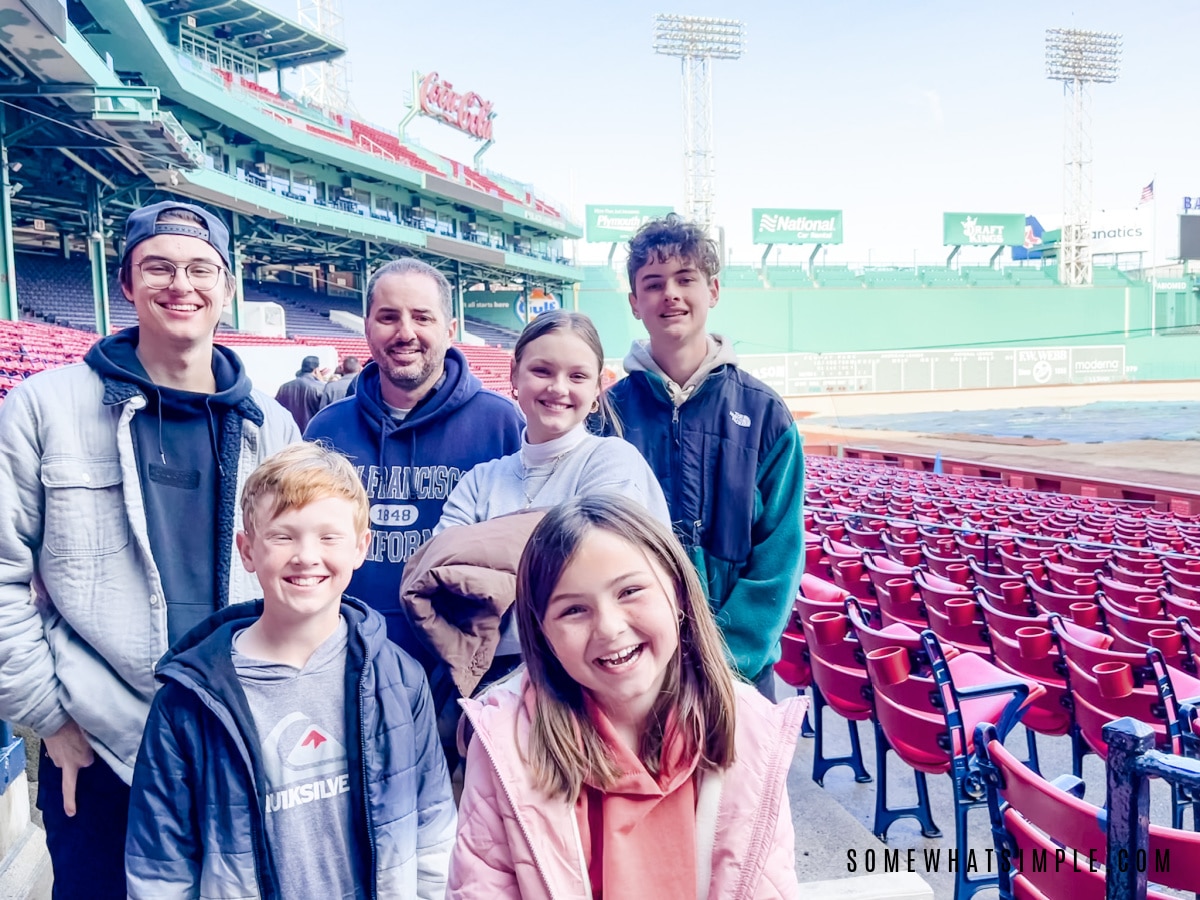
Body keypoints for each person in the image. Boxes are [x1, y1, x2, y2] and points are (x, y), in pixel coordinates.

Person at [0, 198, 300, 898]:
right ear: (128, 284)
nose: (181, 284)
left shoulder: (272, 427)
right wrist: (50, 719)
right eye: (158, 267)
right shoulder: (44, 407)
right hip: (101, 748)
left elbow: (297, 581)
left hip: (233, 740)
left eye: (201, 269)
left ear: (228, 288)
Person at [125, 443, 455, 898]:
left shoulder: (398, 678)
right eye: (283, 536)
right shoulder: (189, 701)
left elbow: (433, 828)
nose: (306, 555)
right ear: (247, 550)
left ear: (362, 548)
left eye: (329, 537)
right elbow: (161, 867)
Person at [449, 495, 805, 899]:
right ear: (542, 634)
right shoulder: (504, 744)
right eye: (573, 611)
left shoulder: (752, 732)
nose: (609, 627)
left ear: (679, 594)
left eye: (630, 591)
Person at [607, 214, 805, 699]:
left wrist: (728, 660)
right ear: (635, 303)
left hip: (740, 675)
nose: (670, 293)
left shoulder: (765, 414)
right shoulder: (606, 416)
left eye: (685, 279)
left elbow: (779, 554)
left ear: (712, 290)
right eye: (653, 284)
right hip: (634, 669)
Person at [304, 257, 523, 668]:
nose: (405, 333)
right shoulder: (327, 428)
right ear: (367, 326)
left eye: (422, 317)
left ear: (449, 330)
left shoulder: (501, 424)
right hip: (349, 662)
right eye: (389, 317)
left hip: (466, 673)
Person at [435, 309, 668, 531]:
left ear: (596, 388)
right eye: (542, 371)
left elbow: (598, 561)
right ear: (514, 374)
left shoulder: (614, 461)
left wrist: (481, 550)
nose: (558, 388)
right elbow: (439, 564)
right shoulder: (480, 480)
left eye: (577, 376)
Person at [274, 354, 326, 430]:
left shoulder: (284, 387)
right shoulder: (320, 387)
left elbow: (277, 410)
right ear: (316, 370)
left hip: (289, 430)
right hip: (310, 431)